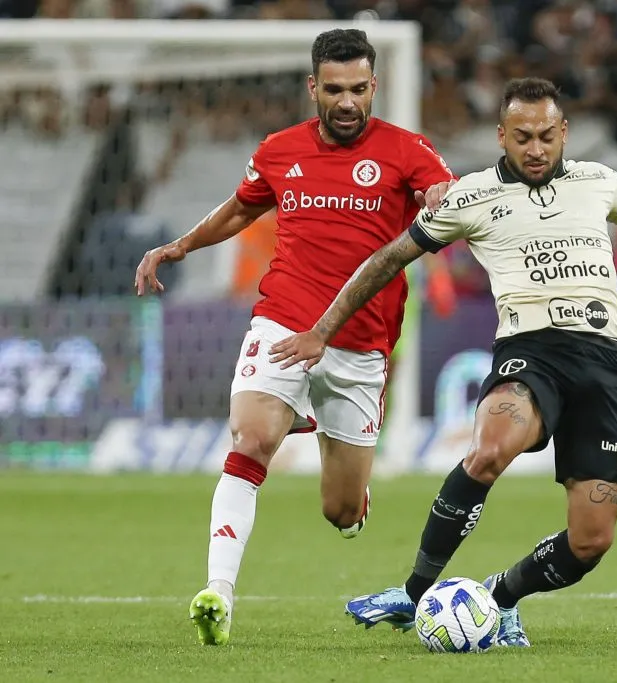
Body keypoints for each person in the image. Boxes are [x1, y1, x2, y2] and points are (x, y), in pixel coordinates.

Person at [268, 78, 617, 647]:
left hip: (605, 364)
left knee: (591, 542)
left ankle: (500, 598)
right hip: (531, 353)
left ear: (564, 134)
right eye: (523, 137)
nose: (535, 149)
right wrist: (321, 331)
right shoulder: (470, 197)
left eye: (546, 137)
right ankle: (415, 593)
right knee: (488, 451)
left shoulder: (598, 182)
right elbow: (387, 260)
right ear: (502, 136)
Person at [133, 28, 455, 646]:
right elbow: (241, 207)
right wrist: (180, 246)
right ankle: (217, 595)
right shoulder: (280, 150)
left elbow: (443, 195)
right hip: (284, 320)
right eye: (333, 90)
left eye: (358, 90)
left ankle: (316, 436)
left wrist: (439, 194)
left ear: (374, 87)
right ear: (313, 87)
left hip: (360, 346)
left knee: (341, 511)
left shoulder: (408, 150)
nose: (345, 103)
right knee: (251, 438)